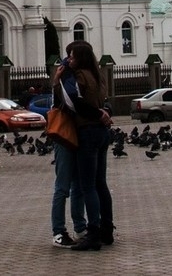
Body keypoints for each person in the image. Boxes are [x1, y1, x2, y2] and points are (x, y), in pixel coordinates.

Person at [60, 41, 114, 251]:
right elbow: (103, 102)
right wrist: (104, 114)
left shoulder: (79, 76)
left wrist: (99, 114)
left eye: (72, 56)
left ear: (80, 58)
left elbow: (75, 102)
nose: (69, 59)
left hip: (88, 131)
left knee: (88, 186)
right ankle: (106, 229)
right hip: (101, 133)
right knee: (101, 183)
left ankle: (93, 233)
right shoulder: (98, 75)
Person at [48, 62, 86, 249]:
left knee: (77, 184)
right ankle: (58, 231)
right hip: (63, 138)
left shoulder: (76, 80)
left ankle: (80, 227)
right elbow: (70, 104)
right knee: (62, 186)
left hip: (76, 136)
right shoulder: (63, 84)